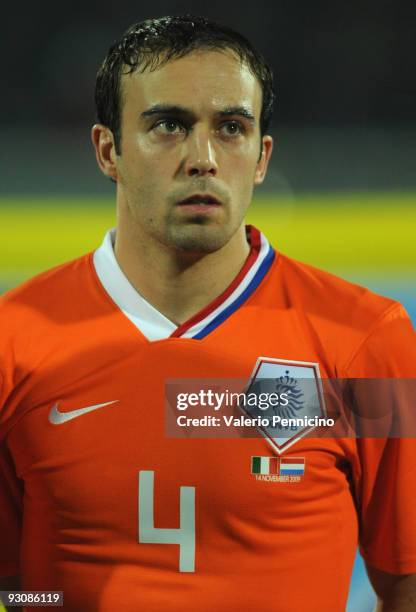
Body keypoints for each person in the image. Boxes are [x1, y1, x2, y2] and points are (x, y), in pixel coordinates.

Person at [0, 15, 415, 612]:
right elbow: (18, 590)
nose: (203, 158)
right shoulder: (15, 344)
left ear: (262, 156)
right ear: (107, 150)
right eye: (168, 126)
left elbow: (405, 580)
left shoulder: (367, 343)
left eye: (231, 127)